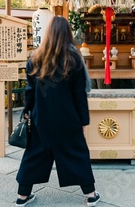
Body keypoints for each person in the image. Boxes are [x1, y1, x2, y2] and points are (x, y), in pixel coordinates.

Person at [15, 16, 100, 207]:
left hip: (40, 118)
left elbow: (29, 92)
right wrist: (84, 121)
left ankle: (22, 196)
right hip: (68, 119)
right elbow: (79, 94)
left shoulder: (36, 59)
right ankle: (91, 194)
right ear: (67, 33)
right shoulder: (74, 59)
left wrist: (27, 112)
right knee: (76, 154)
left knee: (34, 155)